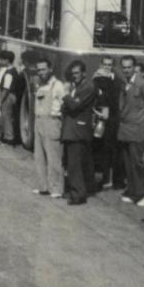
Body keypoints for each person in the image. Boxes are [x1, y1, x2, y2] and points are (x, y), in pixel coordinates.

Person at [117, 55, 144, 207]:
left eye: (129, 67)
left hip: (139, 131)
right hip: (126, 130)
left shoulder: (143, 84)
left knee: (139, 163)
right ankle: (134, 191)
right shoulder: (125, 84)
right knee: (129, 164)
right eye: (124, 67)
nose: (126, 70)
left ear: (134, 67)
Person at [61, 60, 96, 205]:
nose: (74, 76)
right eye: (72, 73)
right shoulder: (77, 86)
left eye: (77, 73)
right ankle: (76, 190)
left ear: (83, 73)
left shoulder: (88, 87)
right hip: (72, 129)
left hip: (78, 130)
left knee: (75, 164)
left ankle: (78, 194)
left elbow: (74, 106)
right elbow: (67, 107)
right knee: (72, 163)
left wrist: (66, 95)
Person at [32, 58, 65, 199]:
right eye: (38, 70)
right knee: (39, 156)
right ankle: (43, 186)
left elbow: (65, 105)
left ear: (50, 69)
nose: (41, 72)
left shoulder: (57, 85)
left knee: (54, 157)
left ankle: (56, 188)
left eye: (43, 69)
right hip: (39, 121)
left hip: (52, 122)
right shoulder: (40, 84)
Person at [92, 55, 121, 190]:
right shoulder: (95, 79)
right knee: (98, 148)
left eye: (109, 65)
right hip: (97, 117)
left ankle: (108, 179)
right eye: (105, 64)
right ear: (100, 65)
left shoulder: (116, 80)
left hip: (111, 120)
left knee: (109, 149)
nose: (107, 67)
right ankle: (99, 177)